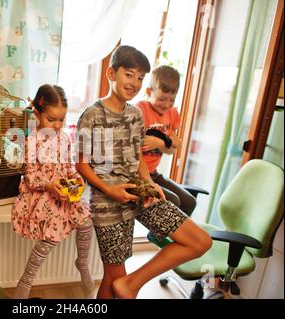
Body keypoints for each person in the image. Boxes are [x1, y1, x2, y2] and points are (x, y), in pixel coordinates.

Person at [75, 45, 212, 299]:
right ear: (111, 73)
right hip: (108, 204)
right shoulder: (91, 115)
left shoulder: (136, 114)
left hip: (141, 193)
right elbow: (81, 165)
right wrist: (110, 189)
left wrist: (150, 182)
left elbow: (137, 155)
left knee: (200, 241)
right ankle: (128, 286)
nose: (135, 83)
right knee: (114, 277)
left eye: (140, 78)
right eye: (129, 74)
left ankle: (132, 284)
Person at [11, 84, 94, 299]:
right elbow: (30, 176)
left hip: (64, 191)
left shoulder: (65, 138)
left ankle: (82, 262)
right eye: (51, 119)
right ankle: (26, 280)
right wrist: (49, 185)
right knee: (52, 235)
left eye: (61, 120)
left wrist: (75, 178)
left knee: (86, 222)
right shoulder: (30, 141)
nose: (57, 125)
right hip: (42, 193)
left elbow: (68, 166)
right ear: (37, 113)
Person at [136, 65, 196, 216]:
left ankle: (173, 236)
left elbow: (175, 147)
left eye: (172, 100)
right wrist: (167, 143)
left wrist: (160, 143)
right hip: (137, 174)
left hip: (153, 172)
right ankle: (163, 235)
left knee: (189, 201)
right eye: (162, 99)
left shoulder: (172, 114)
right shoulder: (140, 110)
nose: (167, 104)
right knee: (173, 201)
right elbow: (139, 146)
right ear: (149, 92)